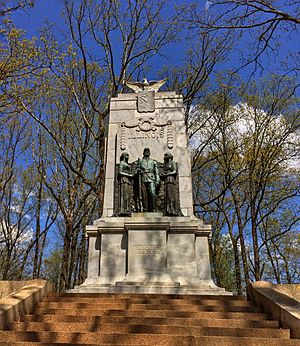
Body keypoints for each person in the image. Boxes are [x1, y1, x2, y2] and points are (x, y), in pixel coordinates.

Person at [137, 147, 160, 212]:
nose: (147, 152)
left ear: (149, 153)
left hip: (151, 178)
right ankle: (145, 209)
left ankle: (153, 208)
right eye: (145, 151)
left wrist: (157, 180)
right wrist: (138, 171)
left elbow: (156, 171)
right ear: (143, 153)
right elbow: (137, 171)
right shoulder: (140, 161)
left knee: (152, 193)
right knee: (144, 195)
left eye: (148, 151)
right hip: (143, 178)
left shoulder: (153, 161)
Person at [162, 152, 178, 216]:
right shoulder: (165, 164)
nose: (164, 158)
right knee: (167, 195)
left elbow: (174, 171)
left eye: (165, 156)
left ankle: (173, 210)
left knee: (171, 195)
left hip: (171, 180)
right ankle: (168, 210)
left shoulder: (173, 163)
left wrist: (166, 174)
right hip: (166, 181)